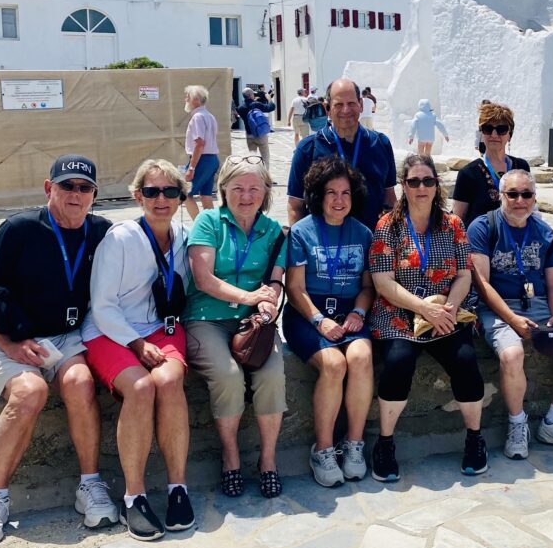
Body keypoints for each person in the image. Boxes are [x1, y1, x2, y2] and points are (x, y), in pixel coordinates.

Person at [0, 155, 118, 547]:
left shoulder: (101, 232)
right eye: (67, 186)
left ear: (94, 195)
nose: (75, 195)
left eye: (84, 188)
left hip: (64, 339)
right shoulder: (20, 229)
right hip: (10, 339)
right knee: (31, 392)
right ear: (49, 189)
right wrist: (9, 344)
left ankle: (90, 485)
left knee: (81, 381)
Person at [84, 159, 194, 541]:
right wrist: (136, 343)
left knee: (168, 381)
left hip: (161, 329)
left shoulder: (183, 236)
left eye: (169, 191)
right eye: (151, 191)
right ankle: (134, 496)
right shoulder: (121, 239)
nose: (160, 199)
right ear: (137, 196)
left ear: (181, 196)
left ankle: (177, 487)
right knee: (141, 387)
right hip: (111, 332)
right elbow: (102, 305)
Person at [369, 154, 487, 481]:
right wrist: (423, 308)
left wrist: (448, 307)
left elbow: (464, 274)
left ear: (437, 185)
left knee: (465, 360)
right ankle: (385, 442)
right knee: (398, 361)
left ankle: (475, 439)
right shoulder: (387, 226)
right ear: (403, 186)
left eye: (428, 181)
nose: (421, 187)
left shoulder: (453, 225)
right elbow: (383, 282)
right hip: (399, 315)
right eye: (413, 181)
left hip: (445, 313)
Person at [468, 170, 553, 460]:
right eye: (512, 194)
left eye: (526, 194)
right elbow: (482, 284)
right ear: (501, 196)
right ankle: (517, 423)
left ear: (535, 198)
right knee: (511, 355)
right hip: (499, 305)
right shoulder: (483, 227)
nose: (519, 200)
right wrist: (512, 320)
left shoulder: (543, 231)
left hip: (538, 303)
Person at [184, 155, 288, 498]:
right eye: (238, 188)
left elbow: (275, 280)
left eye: (254, 188)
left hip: (251, 323)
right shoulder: (209, 223)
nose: (246, 196)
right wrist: (249, 296)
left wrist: (268, 301)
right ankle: (230, 458)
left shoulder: (273, 231)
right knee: (228, 376)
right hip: (207, 317)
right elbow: (203, 279)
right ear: (224, 190)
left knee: (272, 374)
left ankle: (269, 461)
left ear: (265, 192)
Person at [283, 157, 375, 487]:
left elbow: (367, 287)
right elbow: (294, 289)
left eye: (345, 193)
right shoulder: (301, 232)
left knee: (361, 358)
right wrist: (319, 320)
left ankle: (353, 444)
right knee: (334, 364)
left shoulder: (363, 233)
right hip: (308, 315)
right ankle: (322, 449)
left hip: (350, 313)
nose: (339, 200)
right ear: (318, 196)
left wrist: (358, 313)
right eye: (331, 193)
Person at [288, 78, 397, 231]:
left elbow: (389, 197)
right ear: (327, 108)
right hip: (324, 248)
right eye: (339, 104)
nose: (346, 110)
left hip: (371, 246)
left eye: (351, 103)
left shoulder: (381, 144)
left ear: (360, 104)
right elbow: (295, 205)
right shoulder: (308, 148)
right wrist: (299, 247)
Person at [452, 102, 531, 228]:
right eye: (488, 129)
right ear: (482, 133)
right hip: (481, 243)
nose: (494, 135)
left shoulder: (521, 167)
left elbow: (529, 205)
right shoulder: (468, 173)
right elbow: (457, 220)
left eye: (501, 130)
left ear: (510, 134)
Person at [182, 85, 220, 222]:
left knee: (184, 193)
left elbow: (199, 143)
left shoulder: (197, 117)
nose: (185, 99)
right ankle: (213, 226)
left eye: (188, 97)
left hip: (202, 159)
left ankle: (200, 225)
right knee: (206, 195)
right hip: (212, 159)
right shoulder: (209, 116)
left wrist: (191, 167)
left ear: (196, 100)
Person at [237, 86, 276, 168]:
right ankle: (266, 177)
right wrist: (269, 98)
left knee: (252, 158)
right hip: (260, 134)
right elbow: (271, 107)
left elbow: (247, 107)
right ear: (251, 95)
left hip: (249, 135)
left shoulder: (240, 108)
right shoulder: (256, 104)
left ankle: (254, 177)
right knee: (265, 156)